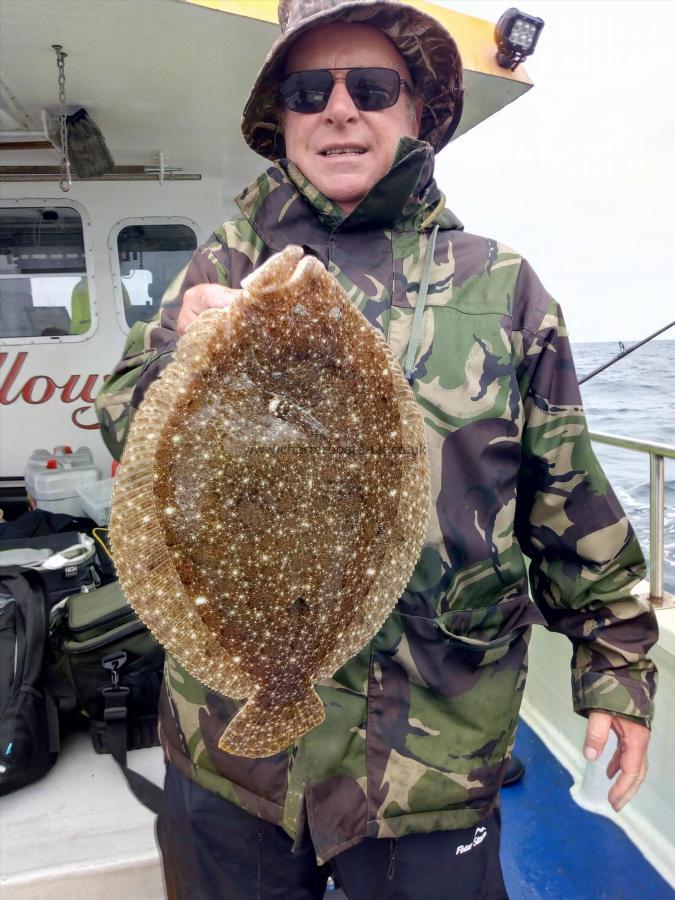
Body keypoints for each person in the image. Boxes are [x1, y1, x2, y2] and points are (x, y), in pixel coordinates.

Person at [96, 1, 658, 897]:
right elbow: (126, 433)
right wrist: (179, 359)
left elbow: (567, 495)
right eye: (309, 89)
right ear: (279, 119)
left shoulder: (500, 284)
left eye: (371, 86)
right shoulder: (220, 268)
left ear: (418, 110)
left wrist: (616, 668)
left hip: (426, 758)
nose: (339, 109)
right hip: (227, 753)